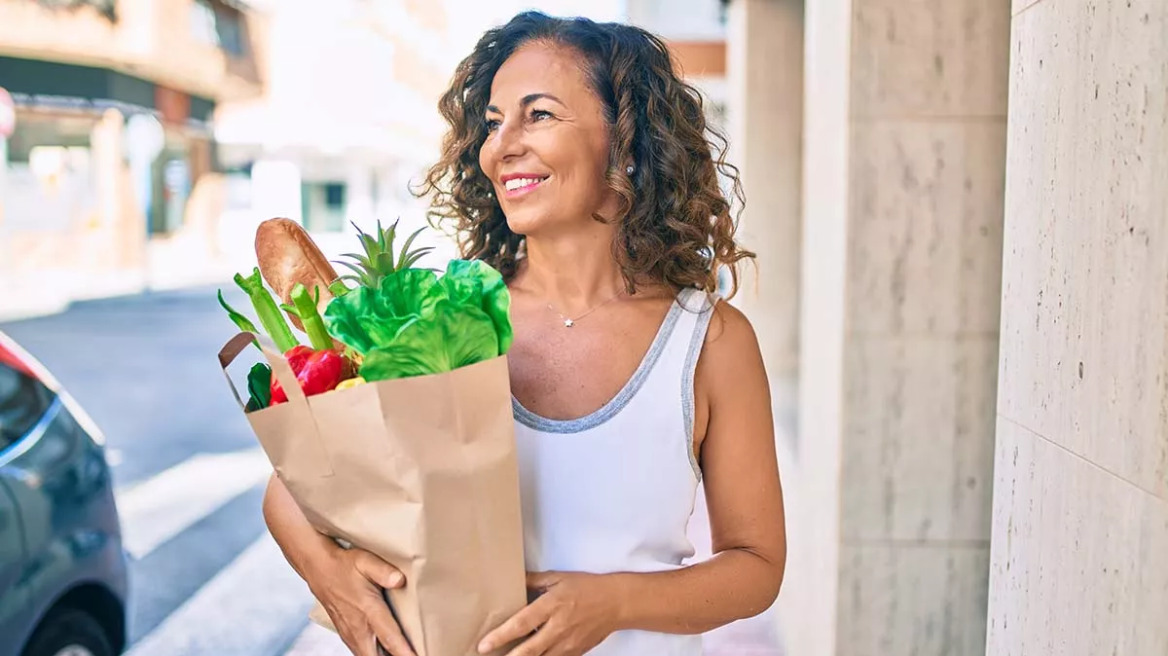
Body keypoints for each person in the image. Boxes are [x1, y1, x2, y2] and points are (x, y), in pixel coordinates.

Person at [262, 11, 785, 656]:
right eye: (491, 122)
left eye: (537, 115)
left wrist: (613, 602)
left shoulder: (710, 342)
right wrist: (335, 578)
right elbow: (292, 489)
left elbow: (756, 565)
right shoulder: (444, 319)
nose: (500, 145)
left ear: (627, 141)